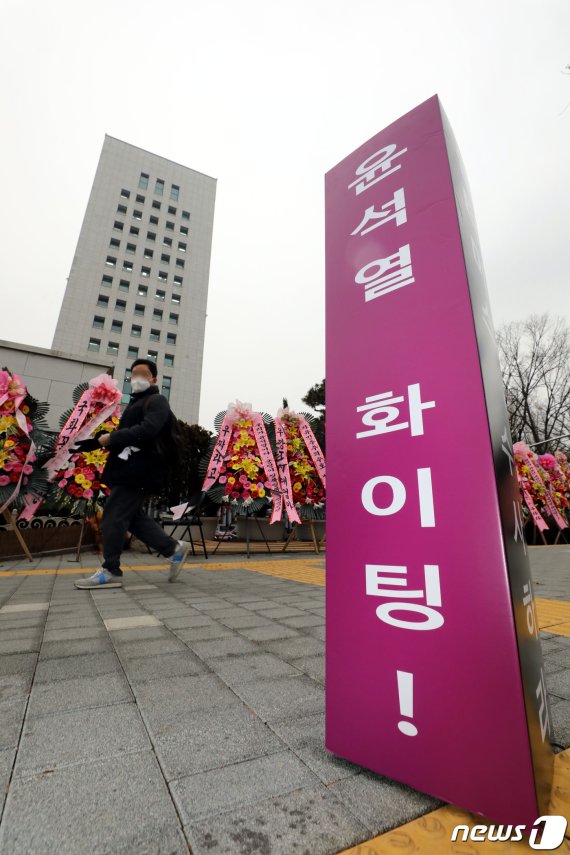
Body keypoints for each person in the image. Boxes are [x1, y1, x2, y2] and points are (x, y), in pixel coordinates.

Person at [75, 359, 190, 589]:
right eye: (133, 374)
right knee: (133, 519)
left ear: (154, 379)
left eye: (143, 374)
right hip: (128, 470)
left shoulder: (157, 401)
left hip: (139, 471)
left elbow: (148, 429)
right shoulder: (136, 403)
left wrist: (111, 438)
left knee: (113, 516)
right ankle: (173, 550)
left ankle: (111, 570)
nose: (136, 378)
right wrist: (101, 442)